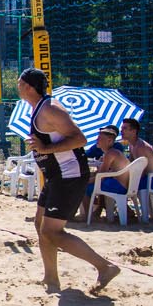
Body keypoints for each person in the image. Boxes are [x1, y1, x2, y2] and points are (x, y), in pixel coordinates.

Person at [17, 68, 121, 294]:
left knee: (52, 232)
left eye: (19, 83)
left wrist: (45, 148)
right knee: (40, 224)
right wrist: (42, 148)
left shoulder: (50, 109)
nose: (17, 86)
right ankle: (51, 278)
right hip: (56, 176)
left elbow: (80, 139)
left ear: (29, 87)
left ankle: (105, 267)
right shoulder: (38, 108)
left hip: (68, 175)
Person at [83, 124, 127, 220]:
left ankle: (88, 217)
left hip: (119, 186)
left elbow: (101, 176)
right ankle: (95, 212)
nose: (97, 140)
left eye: (100, 138)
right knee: (93, 184)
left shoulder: (110, 153)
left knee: (83, 188)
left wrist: (85, 182)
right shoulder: (113, 152)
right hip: (123, 185)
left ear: (109, 141)